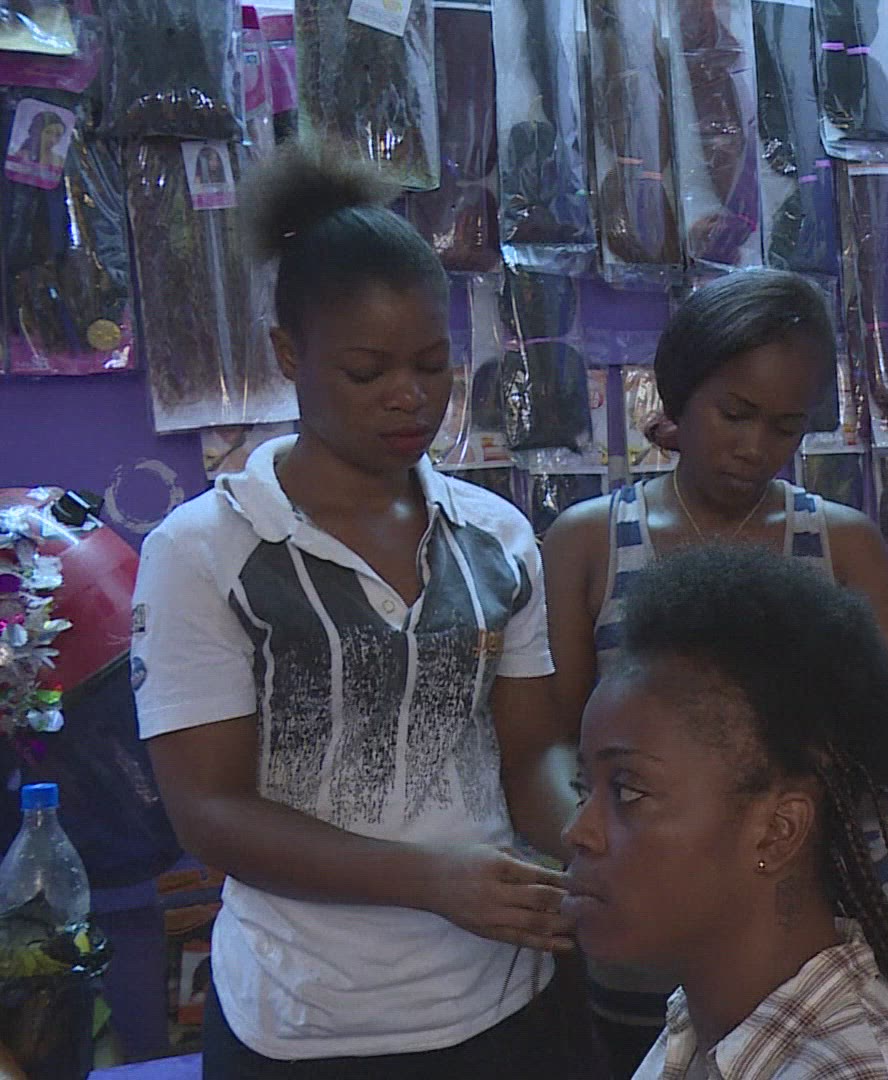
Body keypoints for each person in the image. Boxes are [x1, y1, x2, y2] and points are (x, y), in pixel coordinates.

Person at [132, 142, 582, 1078]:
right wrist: (432, 880)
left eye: (432, 363)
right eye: (368, 371)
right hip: (306, 1026)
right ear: (289, 355)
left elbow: (531, 751)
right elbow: (209, 813)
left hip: (506, 997)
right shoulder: (203, 552)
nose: (409, 397)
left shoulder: (497, 537)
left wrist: (589, 838)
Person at [543, 267, 888, 1072]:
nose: (756, 448)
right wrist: (616, 849)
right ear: (680, 397)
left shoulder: (844, 546)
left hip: (799, 932)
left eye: (786, 427)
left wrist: (782, 836)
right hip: (642, 934)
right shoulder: (586, 543)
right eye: (736, 413)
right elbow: (553, 744)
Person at [563, 545, 888, 1080]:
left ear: (778, 831)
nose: (578, 831)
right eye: (582, 789)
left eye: (629, 791)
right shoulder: (703, 1022)